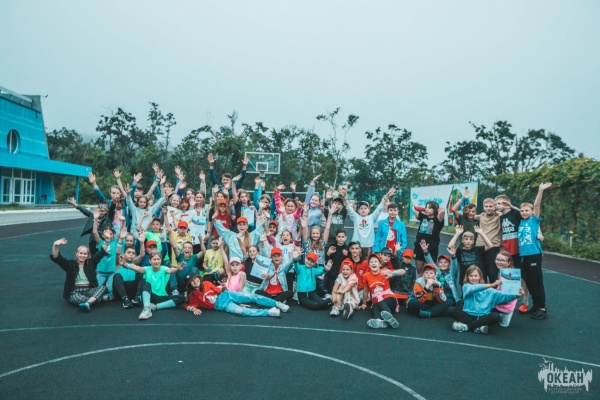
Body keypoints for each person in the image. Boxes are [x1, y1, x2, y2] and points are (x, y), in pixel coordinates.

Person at [447, 266, 521, 334]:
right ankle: (478, 327)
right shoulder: (466, 286)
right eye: (471, 276)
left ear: (480, 276)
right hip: (468, 315)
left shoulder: (490, 291)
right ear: (468, 277)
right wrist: (491, 285)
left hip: (483, 317)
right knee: (450, 309)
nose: (473, 278)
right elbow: (473, 289)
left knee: (495, 316)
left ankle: (467, 327)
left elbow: (503, 297)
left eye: (475, 276)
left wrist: (516, 295)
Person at [518, 182, 552, 320]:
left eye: (527, 210)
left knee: (536, 282)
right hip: (524, 256)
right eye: (522, 211)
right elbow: (516, 210)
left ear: (532, 212)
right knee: (529, 281)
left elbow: (537, 205)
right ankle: (536, 305)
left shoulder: (534, 221)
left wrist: (540, 190)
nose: (524, 212)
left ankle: (542, 308)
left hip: (534, 255)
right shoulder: (522, 222)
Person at [119, 251, 186, 320]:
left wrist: (177, 269)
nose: (156, 261)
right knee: (146, 284)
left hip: (161, 297)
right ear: (150, 261)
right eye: (154, 259)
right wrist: (124, 264)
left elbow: (170, 270)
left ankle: (156, 306)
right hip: (150, 296)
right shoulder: (147, 269)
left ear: (161, 260)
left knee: (182, 298)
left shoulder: (164, 268)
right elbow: (136, 267)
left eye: (158, 259)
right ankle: (147, 309)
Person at [184, 273, 288, 317]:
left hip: (227, 295)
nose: (195, 281)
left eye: (195, 278)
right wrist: (193, 309)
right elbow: (187, 305)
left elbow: (218, 290)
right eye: (192, 281)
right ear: (190, 285)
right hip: (222, 305)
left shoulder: (206, 283)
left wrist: (223, 288)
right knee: (242, 311)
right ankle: (269, 312)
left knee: (251, 296)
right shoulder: (193, 295)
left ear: (198, 278)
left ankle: (277, 304)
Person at [49, 238, 110, 312]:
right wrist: (55, 245)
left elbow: (101, 252)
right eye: (81, 253)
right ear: (76, 254)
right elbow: (57, 258)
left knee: (103, 287)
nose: (82, 255)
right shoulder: (70, 264)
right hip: (74, 291)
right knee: (77, 298)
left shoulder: (91, 263)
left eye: (85, 254)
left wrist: (107, 240)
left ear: (87, 255)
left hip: (89, 290)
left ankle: (88, 303)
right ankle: (99, 299)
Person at [495, 194, 529, 312]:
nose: (497, 206)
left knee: (522, 277)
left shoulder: (516, 213)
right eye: (496, 204)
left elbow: (527, 216)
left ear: (506, 204)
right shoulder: (501, 217)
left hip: (519, 251)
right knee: (508, 275)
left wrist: (512, 206)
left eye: (499, 203)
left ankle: (525, 301)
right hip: (507, 251)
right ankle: (508, 301)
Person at [359, 254, 403, 329]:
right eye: (371, 262)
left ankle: (389, 317)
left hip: (389, 299)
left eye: (375, 261)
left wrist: (392, 273)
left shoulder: (384, 272)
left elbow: (403, 271)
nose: (373, 263)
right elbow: (365, 291)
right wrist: (364, 304)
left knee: (381, 303)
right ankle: (380, 321)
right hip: (376, 300)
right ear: (369, 265)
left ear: (380, 264)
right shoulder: (366, 276)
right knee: (375, 307)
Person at [344, 190, 390, 258]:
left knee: (368, 262)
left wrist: (387, 196)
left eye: (365, 208)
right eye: (361, 208)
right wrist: (345, 197)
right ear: (358, 210)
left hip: (369, 246)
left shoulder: (372, 217)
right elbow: (348, 207)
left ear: (368, 210)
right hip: (356, 246)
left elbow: (379, 208)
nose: (363, 210)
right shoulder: (355, 217)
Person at [412, 201, 445, 276]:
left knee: (430, 269)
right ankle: (419, 283)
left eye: (429, 208)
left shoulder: (438, 219)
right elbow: (413, 208)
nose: (426, 209)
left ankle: (430, 283)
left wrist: (434, 209)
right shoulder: (423, 217)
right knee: (419, 270)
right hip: (419, 247)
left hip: (432, 248)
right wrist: (425, 210)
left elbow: (442, 210)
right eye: (426, 207)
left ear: (435, 209)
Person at [474, 198, 502, 283]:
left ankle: (494, 290)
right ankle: (483, 290)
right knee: (481, 273)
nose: (488, 208)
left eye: (490, 206)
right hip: (480, 246)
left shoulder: (499, 217)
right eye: (486, 206)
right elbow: (467, 215)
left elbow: (511, 213)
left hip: (494, 247)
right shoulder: (481, 216)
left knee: (493, 273)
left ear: (494, 207)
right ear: (483, 207)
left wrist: (500, 213)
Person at [492, 251, 521, 327]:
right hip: (503, 303)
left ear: (509, 263)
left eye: (502, 260)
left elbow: (510, 296)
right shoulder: (502, 271)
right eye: (497, 259)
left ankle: (501, 314)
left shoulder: (510, 274)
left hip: (505, 305)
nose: (499, 262)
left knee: (503, 324)